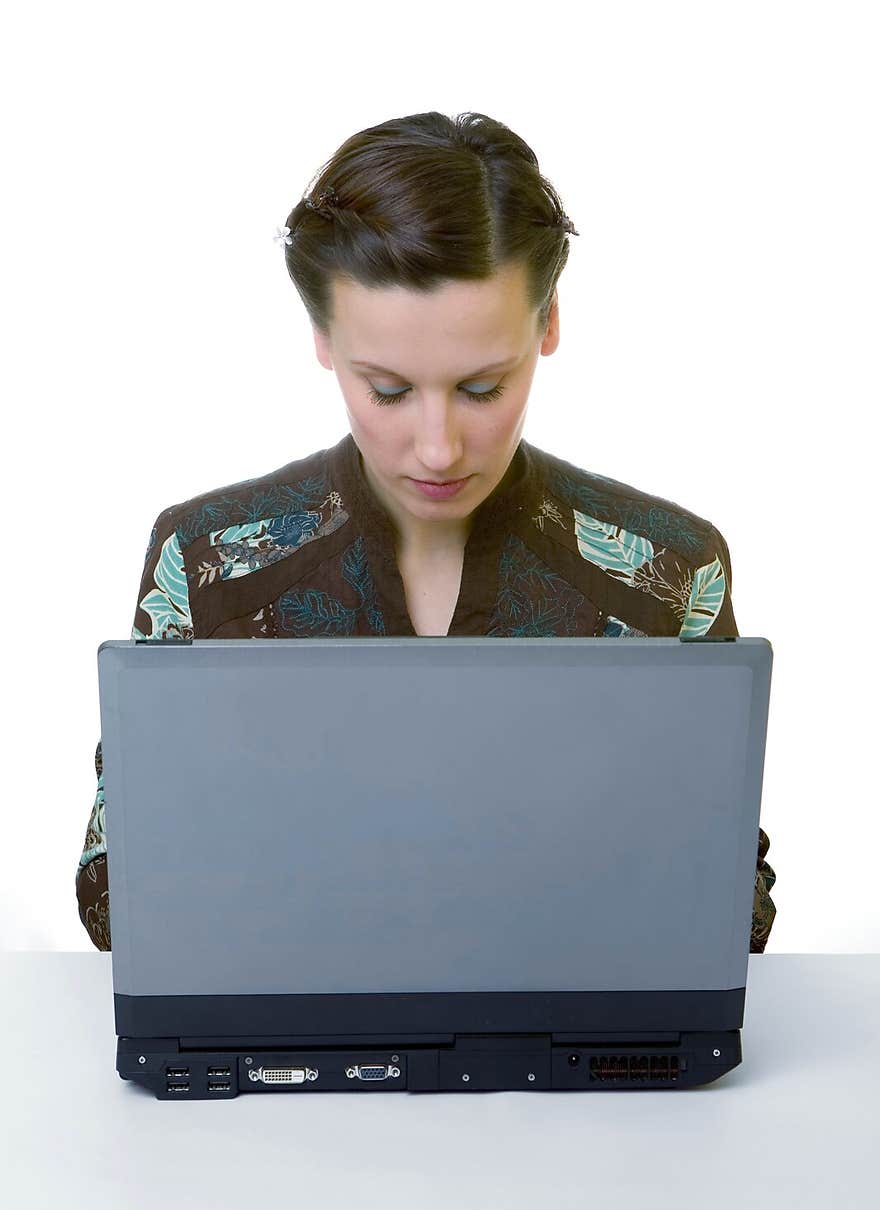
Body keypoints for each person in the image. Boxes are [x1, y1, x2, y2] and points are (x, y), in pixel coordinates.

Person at [75, 108, 777, 953]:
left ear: (548, 325)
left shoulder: (672, 568)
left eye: (482, 389)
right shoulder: (204, 561)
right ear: (324, 340)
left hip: (583, 1066)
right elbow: (114, 888)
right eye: (389, 389)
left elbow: (735, 906)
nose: (439, 447)